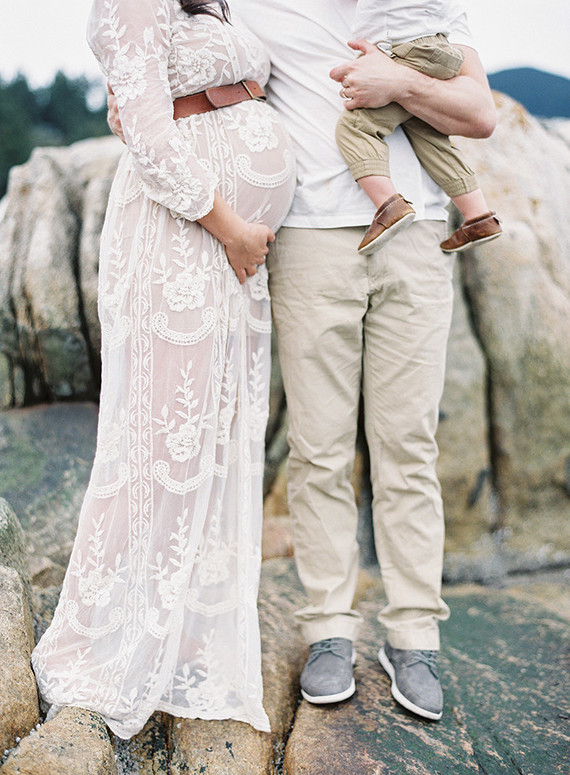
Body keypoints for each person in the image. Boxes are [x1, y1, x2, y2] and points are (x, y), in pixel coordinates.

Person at [31, 0, 296, 739]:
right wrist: (234, 227)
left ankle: (179, 635)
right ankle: (113, 646)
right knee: (160, 442)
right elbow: (149, 135)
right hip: (181, 235)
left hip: (224, 247)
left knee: (209, 437)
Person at [232, 0, 497, 721]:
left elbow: (479, 114)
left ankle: (414, 635)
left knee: (408, 445)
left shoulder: (420, 4)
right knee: (318, 448)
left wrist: (398, 82)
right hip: (307, 240)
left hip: (417, 240)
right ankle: (328, 628)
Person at [335, 0, 503, 255]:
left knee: (355, 127)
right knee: (429, 136)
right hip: (438, 48)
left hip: (407, 49)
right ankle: (479, 217)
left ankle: (389, 206)